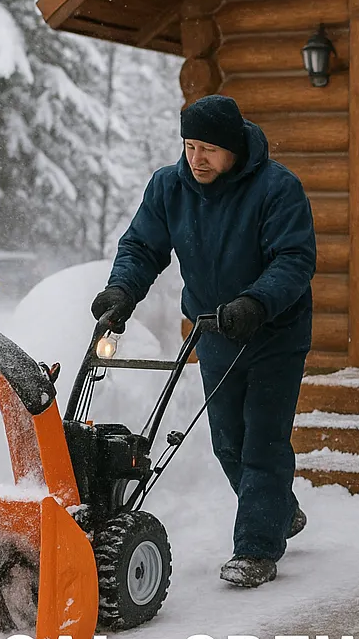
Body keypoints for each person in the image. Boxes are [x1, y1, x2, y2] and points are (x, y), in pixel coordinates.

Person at [91, 95, 317, 588]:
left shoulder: (277, 189)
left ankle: (256, 549)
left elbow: (294, 260)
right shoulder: (169, 187)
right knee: (227, 442)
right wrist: (121, 291)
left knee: (263, 440)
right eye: (190, 146)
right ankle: (279, 509)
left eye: (209, 149)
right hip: (213, 330)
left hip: (274, 333)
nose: (197, 159)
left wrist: (256, 303)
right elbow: (142, 246)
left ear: (234, 148)